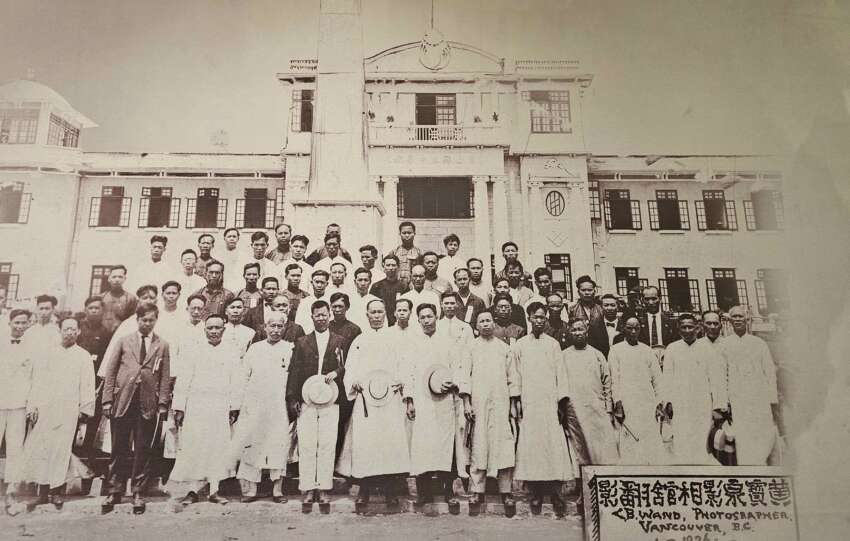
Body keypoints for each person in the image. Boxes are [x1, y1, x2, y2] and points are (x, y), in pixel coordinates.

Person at [337, 300, 412, 512]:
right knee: (366, 445)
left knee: (388, 445)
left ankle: (390, 493)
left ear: (385, 314)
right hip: (366, 403)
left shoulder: (395, 340)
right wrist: (354, 382)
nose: (377, 316)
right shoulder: (360, 341)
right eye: (373, 312)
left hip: (389, 403)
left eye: (380, 312)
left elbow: (404, 365)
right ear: (367, 315)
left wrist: (402, 381)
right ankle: (364, 492)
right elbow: (350, 368)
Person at [13, 317, 95, 510]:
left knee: (61, 449)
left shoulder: (82, 356)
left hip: (69, 409)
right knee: (43, 449)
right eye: (66, 329)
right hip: (46, 408)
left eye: (73, 329)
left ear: (78, 332)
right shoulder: (48, 353)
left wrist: (85, 409)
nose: (69, 333)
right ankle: (42, 491)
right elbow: (37, 381)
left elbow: (88, 384)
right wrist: (33, 406)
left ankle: (56, 491)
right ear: (60, 330)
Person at [101, 304, 170, 513]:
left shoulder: (162, 345)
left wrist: (163, 403)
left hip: (147, 404)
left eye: (151, 320)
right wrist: (107, 400)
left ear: (156, 320)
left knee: (143, 449)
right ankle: (115, 490)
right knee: (118, 448)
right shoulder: (123, 341)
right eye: (143, 320)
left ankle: (138, 491)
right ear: (137, 320)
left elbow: (165, 377)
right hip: (123, 401)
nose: (147, 323)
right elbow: (110, 372)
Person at [170, 314, 242, 506]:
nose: (214, 332)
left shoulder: (232, 351)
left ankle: (214, 490)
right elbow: (184, 380)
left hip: (220, 406)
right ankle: (193, 490)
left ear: (223, 330)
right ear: (205, 330)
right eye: (210, 328)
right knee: (196, 445)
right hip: (196, 406)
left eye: (218, 328)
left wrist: (234, 407)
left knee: (217, 446)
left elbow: (237, 380)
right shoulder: (193, 350)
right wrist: (180, 407)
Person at [512, 302, 574, 517]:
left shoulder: (553, 344)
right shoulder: (519, 345)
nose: (538, 320)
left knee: (552, 446)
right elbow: (515, 375)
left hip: (549, 403)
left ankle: (556, 495)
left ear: (546, 318)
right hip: (529, 402)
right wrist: (517, 401)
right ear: (529, 318)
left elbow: (561, 374)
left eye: (542, 317)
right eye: (535, 317)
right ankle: (536, 493)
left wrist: (560, 403)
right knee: (533, 447)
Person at [285, 301, 347, 512]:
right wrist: (293, 400)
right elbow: (294, 371)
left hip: (330, 400)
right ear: (311, 317)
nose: (320, 318)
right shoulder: (302, 342)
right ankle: (308, 489)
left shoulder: (340, 340)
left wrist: (336, 373)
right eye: (316, 315)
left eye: (323, 314)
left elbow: (345, 366)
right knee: (308, 444)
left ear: (329, 315)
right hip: (307, 400)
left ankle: (324, 489)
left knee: (327, 444)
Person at [408, 303, 469, 514]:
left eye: (430, 316)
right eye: (422, 317)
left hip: (445, 401)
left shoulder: (449, 343)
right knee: (422, 444)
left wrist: (453, 383)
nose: (426, 320)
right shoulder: (413, 344)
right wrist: (409, 401)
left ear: (437, 317)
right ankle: (423, 492)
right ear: (418, 320)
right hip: (422, 402)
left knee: (446, 444)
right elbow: (410, 373)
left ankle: (448, 492)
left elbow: (458, 368)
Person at [233, 313, 294, 503]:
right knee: (253, 444)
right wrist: (240, 404)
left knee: (278, 444)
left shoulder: (290, 349)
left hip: (278, 406)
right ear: (265, 327)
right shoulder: (255, 349)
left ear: (284, 328)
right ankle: (250, 490)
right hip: (255, 405)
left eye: (279, 326)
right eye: (272, 326)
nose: (275, 330)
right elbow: (243, 377)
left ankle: (277, 489)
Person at [462, 310, 519, 516]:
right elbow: (464, 376)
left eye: (488, 321)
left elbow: (513, 378)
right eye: (481, 321)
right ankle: (477, 490)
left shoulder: (504, 349)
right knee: (479, 444)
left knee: (503, 443)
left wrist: (513, 404)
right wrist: (467, 402)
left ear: (494, 324)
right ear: (476, 326)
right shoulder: (470, 348)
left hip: (501, 403)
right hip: (478, 402)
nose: (485, 324)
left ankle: (506, 491)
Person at [658, 313, 728, 465]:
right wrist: (667, 401)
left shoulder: (707, 349)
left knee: (702, 441)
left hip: (702, 402)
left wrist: (718, 406)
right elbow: (667, 378)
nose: (688, 330)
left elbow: (716, 380)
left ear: (697, 328)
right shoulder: (672, 348)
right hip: (680, 403)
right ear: (679, 329)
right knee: (681, 439)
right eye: (684, 327)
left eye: (691, 327)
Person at [718, 306, 782, 465]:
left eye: (741, 316)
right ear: (730, 321)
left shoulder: (759, 344)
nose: (738, 319)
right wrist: (725, 401)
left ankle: (763, 466)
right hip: (737, 398)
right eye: (735, 317)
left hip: (759, 397)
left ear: (747, 320)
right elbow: (721, 374)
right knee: (742, 436)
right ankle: (747, 468)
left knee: (762, 432)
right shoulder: (724, 345)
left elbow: (769, 372)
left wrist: (772, 399)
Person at [608, 317, 664, 465]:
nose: (633, 331)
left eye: (636, 328)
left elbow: (657, 379)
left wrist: (659, 403)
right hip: (627, 402)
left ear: (640, 329)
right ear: (624, 329)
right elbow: (615, 379)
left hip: (647, 401)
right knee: (629, 442)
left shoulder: (647, 350)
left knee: (649, 442)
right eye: (629, 328)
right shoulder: (615, 350)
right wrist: (618, 405)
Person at [562, 319, 618, 465]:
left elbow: (607, 382)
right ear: (569, 332)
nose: (578, 333)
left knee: (601, 446)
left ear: (587, 331)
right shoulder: (563, 356)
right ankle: (584, 482)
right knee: (578, 446)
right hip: (573, 409)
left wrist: (608, 409)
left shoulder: (597, 355)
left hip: (596, 408)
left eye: (580, 329)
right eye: (574, 330)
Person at [0, 309, 35, 512]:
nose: (20, 326)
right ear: (10, 322)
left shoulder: (31, 348)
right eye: (17, 322)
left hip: (19, 405)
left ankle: (11, 491)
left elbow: (34, 378)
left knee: (15, 448)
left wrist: (31, 404)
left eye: (24, 323)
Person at [567, 275, 610, 358]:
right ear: (578, 292)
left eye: (590, 290)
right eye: (583, 290)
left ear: (594, 291)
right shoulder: (572, 309)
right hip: (579, 348)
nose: (587, 292)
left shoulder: (601, 308)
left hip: (599, 348)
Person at [369, 254, 407, 326]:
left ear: (398, 267)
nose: (391, 268)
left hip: (398, 323)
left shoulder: (404, 286)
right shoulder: (376, 286)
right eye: (388, 265)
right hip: (381, 323)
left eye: (393, 265)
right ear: (384, 267)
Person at [100, 266, 139, 333]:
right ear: (109, 279)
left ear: (124, 279)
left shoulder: (131, 299)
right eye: (114, 277)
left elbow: (133, 321)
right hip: (102, 335)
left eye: (120, 277)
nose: (117, 279)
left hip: (121, 334)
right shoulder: (101, 297)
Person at [638, 286, 677, 350]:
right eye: (647, 299)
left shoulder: (671, 322)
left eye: (654, 299)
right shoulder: (638, 322)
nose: (650, 302)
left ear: (660, 299)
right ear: (642, 300)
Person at [295, 270, 331, 334]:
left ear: (327, 284)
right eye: (317, 282)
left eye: (322, 282)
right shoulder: (304, 302)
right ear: (311, 282)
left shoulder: (331, 301)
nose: (319, 285)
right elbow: (299, 323)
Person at [387, 221, 423, 287]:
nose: (407, 235)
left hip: (413, 286)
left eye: (409, 233)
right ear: (400, 234)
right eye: (404, 233)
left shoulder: (419, 252)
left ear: (414, 233)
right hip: (396, 285)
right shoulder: (394, 252)